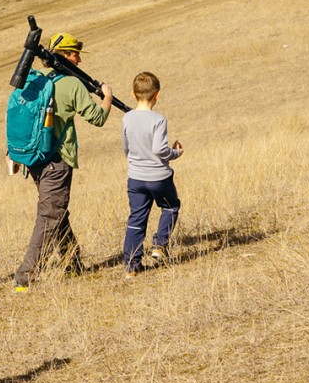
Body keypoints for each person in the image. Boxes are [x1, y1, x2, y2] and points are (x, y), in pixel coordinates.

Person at [12, 33, 113, 291]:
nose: (79, 59)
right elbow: (98, 118)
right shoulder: (72, 84)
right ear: (65, 56)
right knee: (50, 216)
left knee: (56, 211)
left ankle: (73, 265)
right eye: (75, 54)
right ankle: (25, 277)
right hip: (57, 161)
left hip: (34, 159)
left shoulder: (38, 81)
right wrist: (108, 97)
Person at [120, 72, 183, 275]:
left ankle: (131, 266)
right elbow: (159, 149)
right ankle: (159, 244)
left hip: (136, 177)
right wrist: (175, 153)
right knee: (171, 206)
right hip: (159, 177)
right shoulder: (159, 120)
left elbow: (126, 147)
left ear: (133, 94)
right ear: (157, 94)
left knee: (136, 218)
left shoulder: (127, 118)